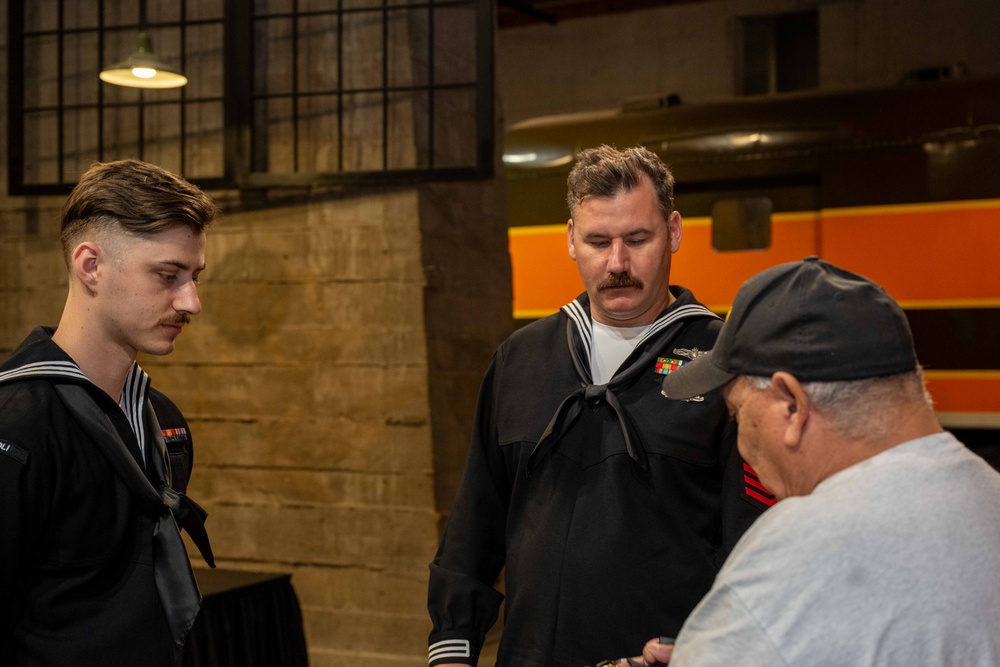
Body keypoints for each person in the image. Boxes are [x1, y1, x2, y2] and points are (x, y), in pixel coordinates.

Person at [426, 145, 766, 667]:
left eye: (637, 239)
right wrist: (452, 645)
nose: (617, 264)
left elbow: (753, 549)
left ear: (673, 232)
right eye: (597, 241)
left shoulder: (726, 366)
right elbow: (476, 520)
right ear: (569, 239)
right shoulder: (520, 360)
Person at [643, 256, 1000, 666]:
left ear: (792, 405)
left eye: (739, 414)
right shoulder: (989, 496)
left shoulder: (797, 550)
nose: (741, 448)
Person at [0, 159, 220, 667]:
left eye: (194, 277)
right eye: (168, 275)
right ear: (90, 266)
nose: (191, 301)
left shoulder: (163, 420)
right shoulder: (17, 425)